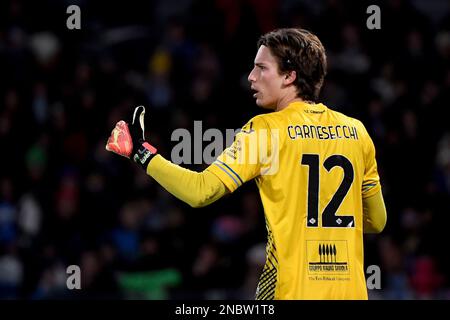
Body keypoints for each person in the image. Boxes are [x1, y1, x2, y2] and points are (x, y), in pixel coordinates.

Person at [106, 28, 387, 300]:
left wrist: (140, 153)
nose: (251, 77)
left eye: (262, 68)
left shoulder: (265, 129)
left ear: (289, 76)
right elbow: (376, 221)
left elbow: (200, 191)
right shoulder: (356, 132)